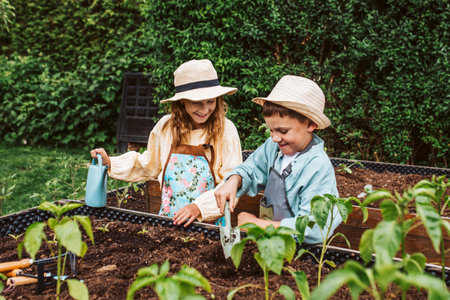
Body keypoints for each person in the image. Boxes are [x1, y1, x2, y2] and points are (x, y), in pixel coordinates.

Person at [91, 59, 242, 226]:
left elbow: (232, 183)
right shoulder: (166, 127)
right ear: (181, 102)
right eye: (196, 102)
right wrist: (111, 162)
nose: (205, 110)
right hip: (169, 222)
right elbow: (148, 164)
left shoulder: (226, 130)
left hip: (209, 226)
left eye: (210, 101)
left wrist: (199, 208)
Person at [214, 75, 341, 244]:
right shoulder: (273, 148)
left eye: (283, 131)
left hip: (300, 254)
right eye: (271, 130)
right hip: (269, 244)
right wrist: (234, 180)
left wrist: (259, 224)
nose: (274, 138)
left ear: (311, 124)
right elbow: (251, 169)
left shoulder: (317, 167)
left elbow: (315, 228)